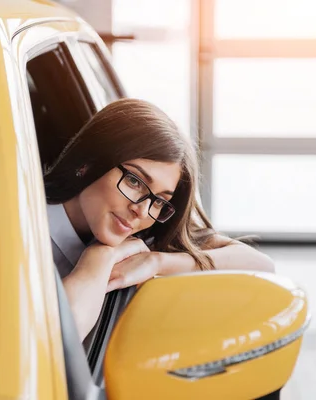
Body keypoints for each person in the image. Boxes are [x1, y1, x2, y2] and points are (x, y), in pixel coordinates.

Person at [43, 98, 274, 340]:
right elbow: (52, 344)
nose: (142, 211)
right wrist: (98, 259)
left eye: (159, 200)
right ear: (88, 163)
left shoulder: (145, 234)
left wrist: (156, 262)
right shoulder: (17, 228)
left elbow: (260, 264)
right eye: (134, 181)